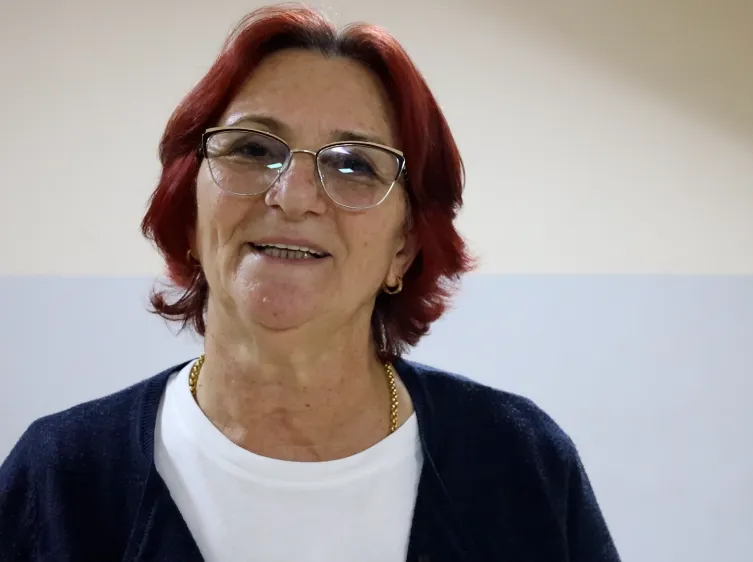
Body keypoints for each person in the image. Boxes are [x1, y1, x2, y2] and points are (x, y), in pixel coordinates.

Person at [0, 4, 619, 562]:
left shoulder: (519, 463)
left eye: (354, 164)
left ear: (404, 247)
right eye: (251, 149)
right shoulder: (59, 481)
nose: (293, 197)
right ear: (188, 210)